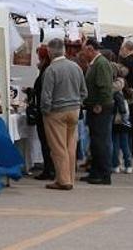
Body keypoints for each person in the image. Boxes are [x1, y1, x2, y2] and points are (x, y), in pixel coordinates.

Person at [41, 38, 88, 190]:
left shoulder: (51, 69)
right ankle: (70, 178)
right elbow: (84, 92)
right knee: (70, 146)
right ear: (64, 50)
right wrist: (77, 103)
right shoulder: (76, 67)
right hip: (74, 110)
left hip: (56, 111)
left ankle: (63, 180)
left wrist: (45, 111)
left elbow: (46, 96)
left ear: (49, 52)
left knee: (58, 147)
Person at [81, 38, 114, 185]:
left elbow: (105, 86)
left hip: (100, 108)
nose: (83, 53)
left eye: (84, 50)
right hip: (94, 106)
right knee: (95, 142)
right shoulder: (95, 63)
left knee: (101, 142)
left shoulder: (101, 64)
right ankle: (95, 171)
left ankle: (104, 173)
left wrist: (100, 103)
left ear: (90, 49)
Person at [30, 45, 55, 181]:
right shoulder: (45, 69)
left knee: (46, 141)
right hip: (45, 109)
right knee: (47, 141)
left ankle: (49, 169)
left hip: (44, 111)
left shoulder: (46, 70)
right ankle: (49, 168)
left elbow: (44, 91)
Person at [111, 64, 133, 174]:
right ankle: (128, 165)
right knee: (125, 143)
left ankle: (116, 165)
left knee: (115, 142)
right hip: (125, 119)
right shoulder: (125, 85)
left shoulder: (115, 88)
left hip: (116, 118)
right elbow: (131, 97)